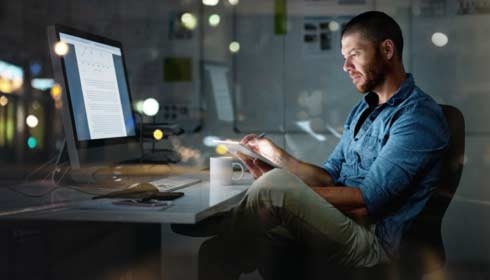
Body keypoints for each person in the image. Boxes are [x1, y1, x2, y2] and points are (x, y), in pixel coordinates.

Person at [175, 10, 450, 280]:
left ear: (387, 50)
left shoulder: (417, 117)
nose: (346, 66)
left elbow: (367, 203)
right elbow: (328, 176)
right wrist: (274, 157)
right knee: (214, 250)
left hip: (373, 240)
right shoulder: (362, 110)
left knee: (272, 190)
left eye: (354, 54)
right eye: (344, 58)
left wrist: (285, 193)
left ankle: (232, 218)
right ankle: (239, 219)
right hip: (341, 222)